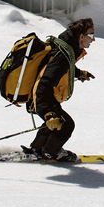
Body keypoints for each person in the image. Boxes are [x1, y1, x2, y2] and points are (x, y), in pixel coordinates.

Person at [26, 18, 96, 162]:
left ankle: (37, 149)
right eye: (91, 35)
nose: (93, 40)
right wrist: (47, 113)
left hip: (45, 96)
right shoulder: (63, 55)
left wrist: (79, 73)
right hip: (42, 97)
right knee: (66, 124)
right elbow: (43, 83)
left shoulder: (67, 50)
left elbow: (64, 69)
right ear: (81, 36)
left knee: (56, 123)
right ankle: (51, 153)